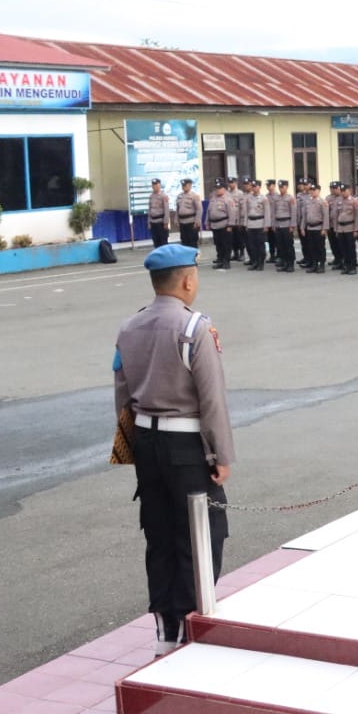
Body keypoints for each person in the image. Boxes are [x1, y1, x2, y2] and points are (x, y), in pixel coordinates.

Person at [113, 243, 233, 655]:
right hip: (186, 445)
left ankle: (165, 627)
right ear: (187, 280)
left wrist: (130, 450)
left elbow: (122, 394)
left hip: (146, 441)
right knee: (202, 533)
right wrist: (220, 455)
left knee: (159, 532)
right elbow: (211, 398)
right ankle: (191, 621)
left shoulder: (130, 327)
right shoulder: (194, 327)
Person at [271, 180, 297, 273]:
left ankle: (290, 264)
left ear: (286, 187)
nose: (281, 189)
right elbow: (273, 212)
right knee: (280, 245)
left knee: (288, 245)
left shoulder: (290, 198)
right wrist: (273, 224)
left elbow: (293, 212)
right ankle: (284, 263)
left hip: (287, 223)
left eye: (282, 187)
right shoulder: (276, 198)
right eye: (280, 187)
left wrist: (292, 225)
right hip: (278, 224)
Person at [175, 179, 201, 249]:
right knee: (184, 241)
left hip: (191, 222)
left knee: (192, 241)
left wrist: (197, 221)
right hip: (182, 223)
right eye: (182, 185)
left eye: (185, 185)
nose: (183, 187)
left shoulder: (194, 196)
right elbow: (178, 209)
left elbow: (199, 209)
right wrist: (176, 220)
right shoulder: (179, 196)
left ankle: (193, 258)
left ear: (190, 185)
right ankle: (186, 258)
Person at [146, 179, 172, 248]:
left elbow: (166, 210)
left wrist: (166, 223)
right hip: (153, 222)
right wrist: (149, 222)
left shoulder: (163, 196)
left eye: (156, 185)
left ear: (159, 185)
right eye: (153, 185)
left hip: (161, 222)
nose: (154, 186)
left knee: (163, 242)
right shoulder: (151, 196)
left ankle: (165, 257)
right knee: (156, 241)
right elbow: (149, 209)